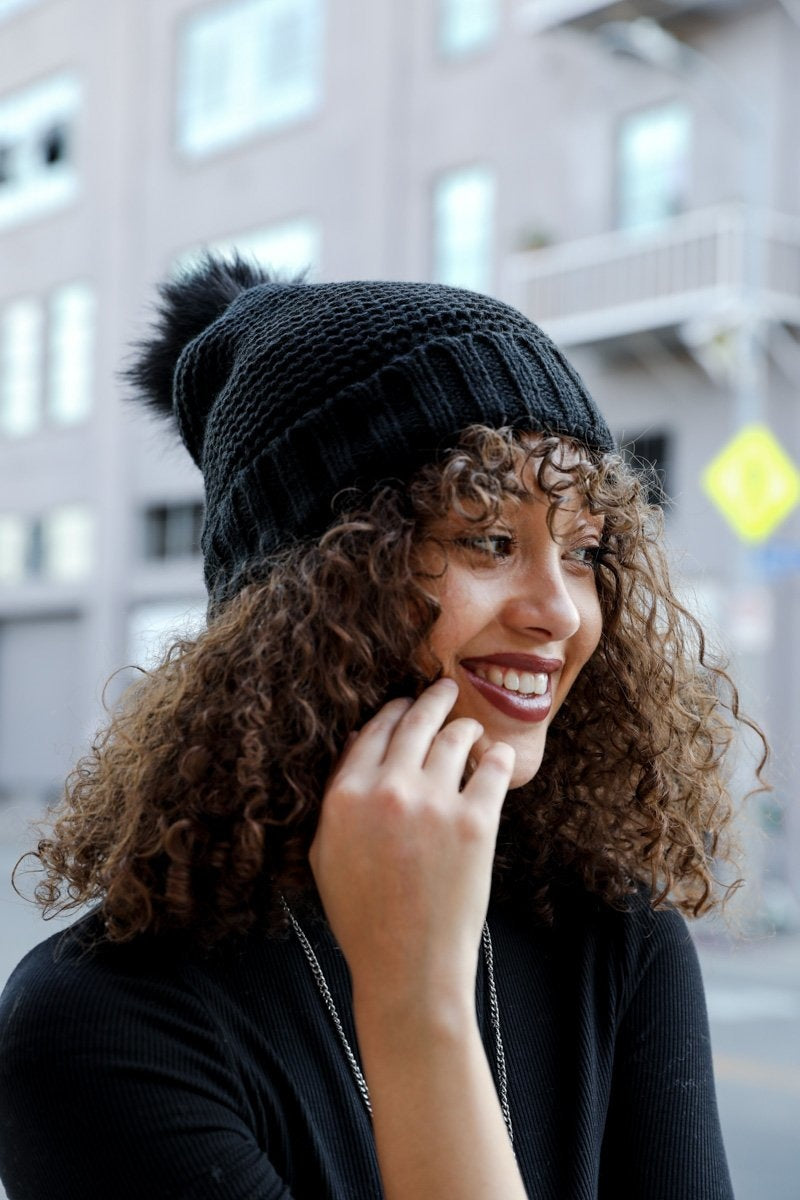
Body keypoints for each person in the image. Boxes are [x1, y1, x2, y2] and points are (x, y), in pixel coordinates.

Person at [0, 258, 763, 1200]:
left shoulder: (615, 936)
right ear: (313, 591)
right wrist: (417, 1007)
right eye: (489, 541)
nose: (561, 613)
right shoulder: (100, 1023)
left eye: (582, 552)